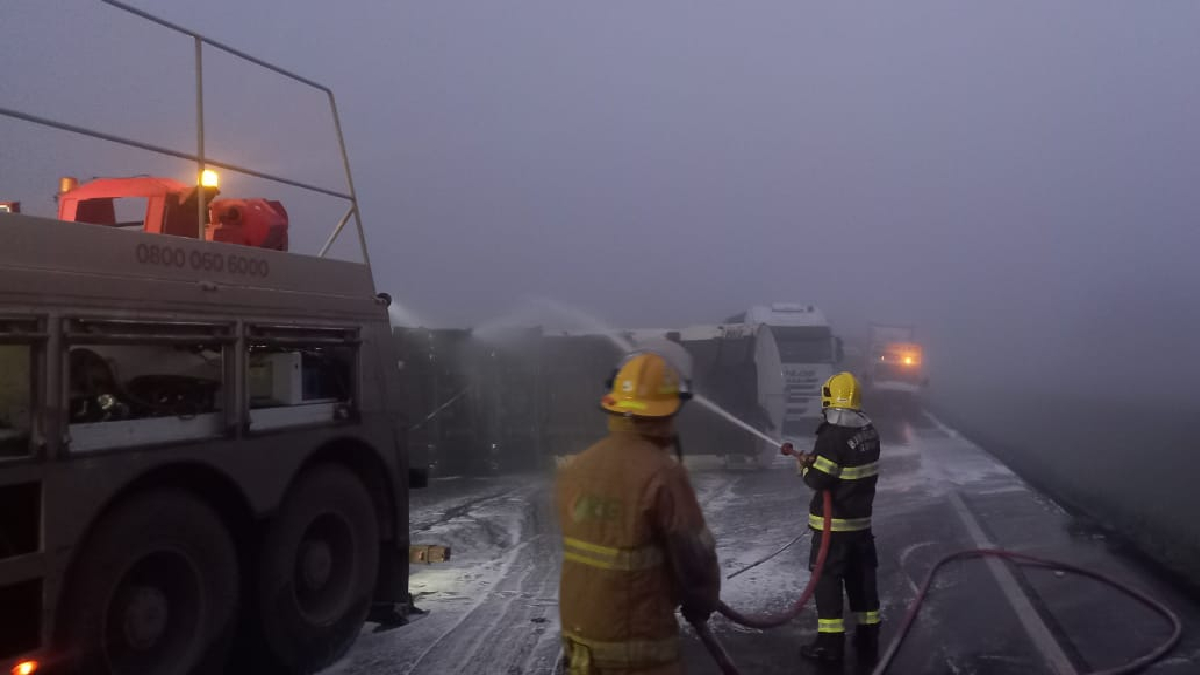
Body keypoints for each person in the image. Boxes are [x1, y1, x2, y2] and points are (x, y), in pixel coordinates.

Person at [555, 342, 721, 674]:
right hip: (637, 647)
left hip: (580, 642)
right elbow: (695, 556)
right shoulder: (662, 473)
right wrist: (702, 600)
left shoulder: (578, 467)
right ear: (668, 411)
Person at [795, 371, 882, 665]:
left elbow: (820, 480)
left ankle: (830, 644)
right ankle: (869, 634)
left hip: (833, 527)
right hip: (861, 523)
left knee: (828, 580)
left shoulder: (832, 435)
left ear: (830, 398)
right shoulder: (868, 431)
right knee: (862, 578)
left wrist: (805, 467)